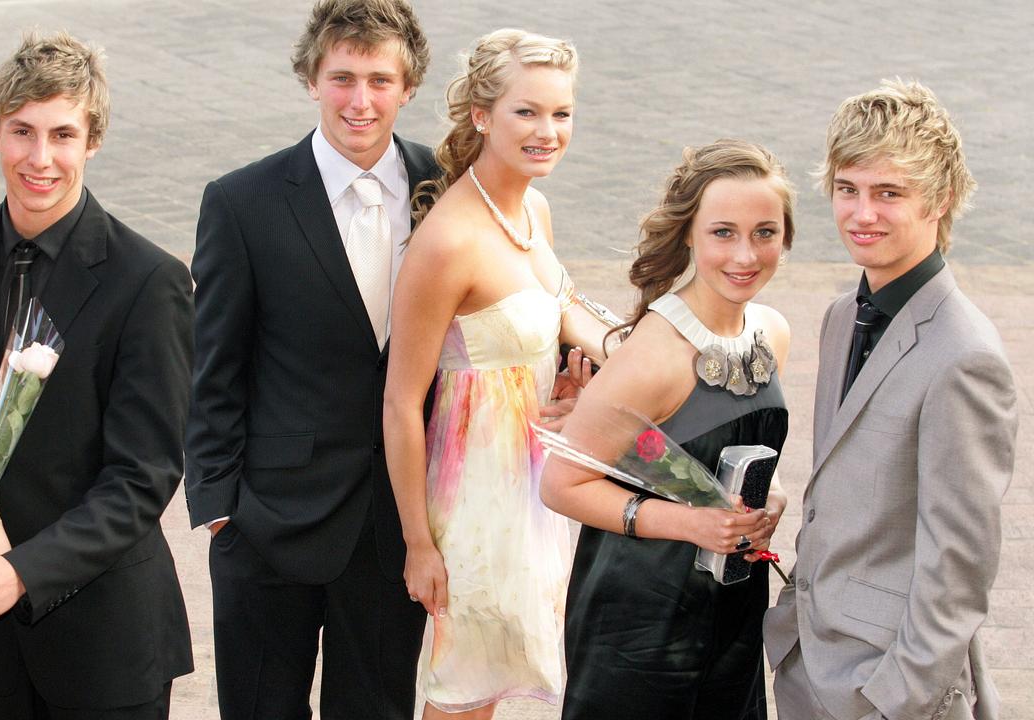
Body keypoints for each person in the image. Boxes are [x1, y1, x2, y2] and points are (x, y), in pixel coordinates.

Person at [0, 31, 195, 718]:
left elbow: (142, 479)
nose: (41, 159)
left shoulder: (149, 280)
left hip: (102, 638)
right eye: (22, 132)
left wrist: (19, 572)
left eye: (63, 135)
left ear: (92, 141)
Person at [183, 1, 438, 717]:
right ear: (311, 79)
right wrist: (219, 507)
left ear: (408, 86)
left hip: (397, 522)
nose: (361, 102)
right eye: (343, 78)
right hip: (268, 522)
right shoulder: (242, 201)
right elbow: (214, 365)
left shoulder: (445, 188)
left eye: (381, 81)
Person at [763, 80, 1018, 720]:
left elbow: (957, 571)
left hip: (884, 688)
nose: (861, 214)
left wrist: (893, 701)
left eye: (888, 194)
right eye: (847, 190)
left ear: (942, 200)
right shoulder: (841, 315)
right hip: (808, 663)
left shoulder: (966, 358)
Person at [382, 29, 609, 719]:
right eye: (527, 112)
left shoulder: (532, 208)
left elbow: (559, 307)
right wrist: (419, 544)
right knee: (463, 693)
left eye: (561, 114)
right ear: (481, 115)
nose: (548, 132)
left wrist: (618, 365)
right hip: (475, 500)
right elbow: (399, 401)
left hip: (534, 488)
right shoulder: (449, 242)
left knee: (498, 680)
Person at [542, 139, 795, 720]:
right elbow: (561, 485)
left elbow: (715, 452)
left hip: (731, 606)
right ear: (689, 235)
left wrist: (767, 499)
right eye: (723, 232)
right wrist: (693, 523)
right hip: (639, 620)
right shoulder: (654, 355)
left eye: (765, 232)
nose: (746, 254)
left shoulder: (771, 332)